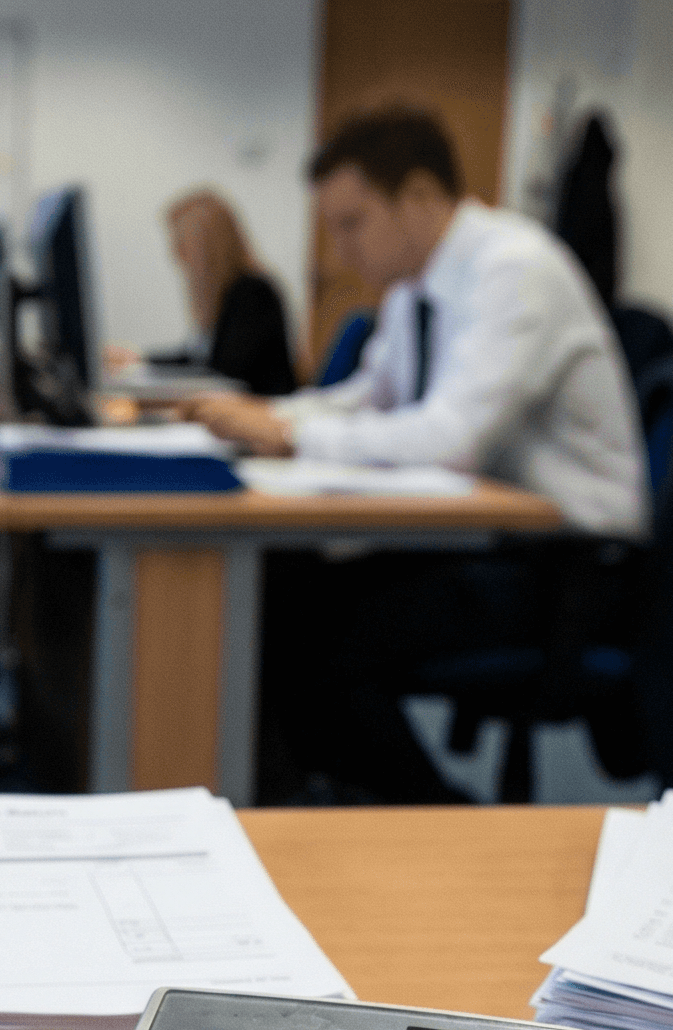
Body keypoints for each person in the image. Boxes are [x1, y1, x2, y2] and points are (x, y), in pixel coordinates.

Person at [187, 106, 647, 804]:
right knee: (283, 600)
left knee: (326, 646)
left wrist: (293, 436)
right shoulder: (417, 288)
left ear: (421, 199)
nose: (342, 251)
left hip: (569, 569)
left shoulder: (513, 272)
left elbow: (452, 439)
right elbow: (371, 395)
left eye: (352, 223)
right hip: (486, 545)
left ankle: (439, 821)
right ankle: (315, 800)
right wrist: (268, 418)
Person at [147, 190, 297, 397]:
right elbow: (195, 356)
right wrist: (139, 360)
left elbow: (224, 371)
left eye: (183, 243)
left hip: (260, 413)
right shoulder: (223, 297)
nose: (175, 254)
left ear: (209, 244)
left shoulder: (253, 293)